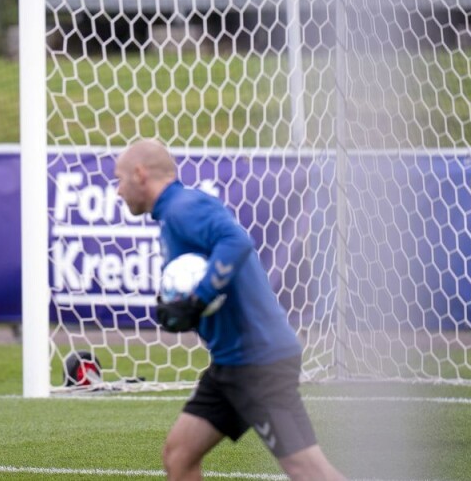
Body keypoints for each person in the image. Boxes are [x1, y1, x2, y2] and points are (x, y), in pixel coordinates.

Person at [113, 139, 345, 481]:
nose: (118, 191)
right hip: (232, 362)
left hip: (258, 363)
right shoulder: (176, 210)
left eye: (119, 179)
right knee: (179, 455)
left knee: (306, 468)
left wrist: (199, 298)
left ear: (140, 174)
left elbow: (236, 242)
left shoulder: (183, 208)